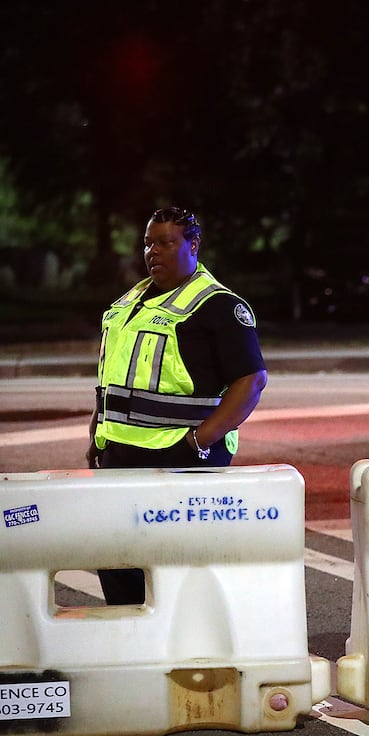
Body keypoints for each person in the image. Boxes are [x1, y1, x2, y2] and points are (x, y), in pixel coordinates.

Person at [87, 207, 268, 604]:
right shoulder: (131, 300)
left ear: (193, 246)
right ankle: (134, 651)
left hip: (181, 459)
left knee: (177, 574)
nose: (154, 252)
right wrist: (98, 433)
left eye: (167, 242)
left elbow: (252, 381)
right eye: (149, 243)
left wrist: (198, 442)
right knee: (117, 563)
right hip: (119, 455)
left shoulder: (217, 305)